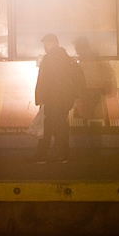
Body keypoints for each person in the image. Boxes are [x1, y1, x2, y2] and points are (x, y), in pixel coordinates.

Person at [33, 33, 83, 163]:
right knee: (59, 125)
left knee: (48, 127)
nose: (44, 47)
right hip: (65, 99)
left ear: (50, 44)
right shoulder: (65, 57)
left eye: (45, 44)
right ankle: (61, 155)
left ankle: (42, 156)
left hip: (53, 99)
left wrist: (40, 99)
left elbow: (43, 80)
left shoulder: (49, 58)